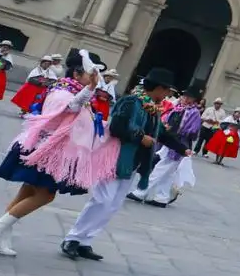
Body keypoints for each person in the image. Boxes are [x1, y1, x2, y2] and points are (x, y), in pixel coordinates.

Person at [0, 51, 111, 256]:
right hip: (46, 149)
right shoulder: (63, 91)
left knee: (27, 192)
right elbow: (71, 107)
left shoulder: (74, 89)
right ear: (77, 74)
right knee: (45, 195)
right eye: (90, 74)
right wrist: (91, 87)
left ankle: (2, 232)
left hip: (50, 148)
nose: (94, 78)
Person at [60, 70, 182, 261]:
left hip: (133, 162)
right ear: (159, 87)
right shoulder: (131, 102)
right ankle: (73, 238)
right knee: (102, 199)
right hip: (116, 157)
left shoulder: (152, 107)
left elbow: (160, 133)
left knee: (113, 204)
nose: (168, 95)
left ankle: (86, 241)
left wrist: (182, 149)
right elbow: (117, 127)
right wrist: (141, 137)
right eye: (167, 90)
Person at [132, 92, 201, 207]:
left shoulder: (194, 113)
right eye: (184, 96)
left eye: (188, 96)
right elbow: (167, 119)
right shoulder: (178, 108)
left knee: (161, 168)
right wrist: (166, 127)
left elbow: (193, 131)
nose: (185, 98)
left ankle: (141, 191)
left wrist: (177, 131)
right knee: (168, 172)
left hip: (179, 144)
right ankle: (162, 197)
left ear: (193, 99)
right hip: (169, 142)